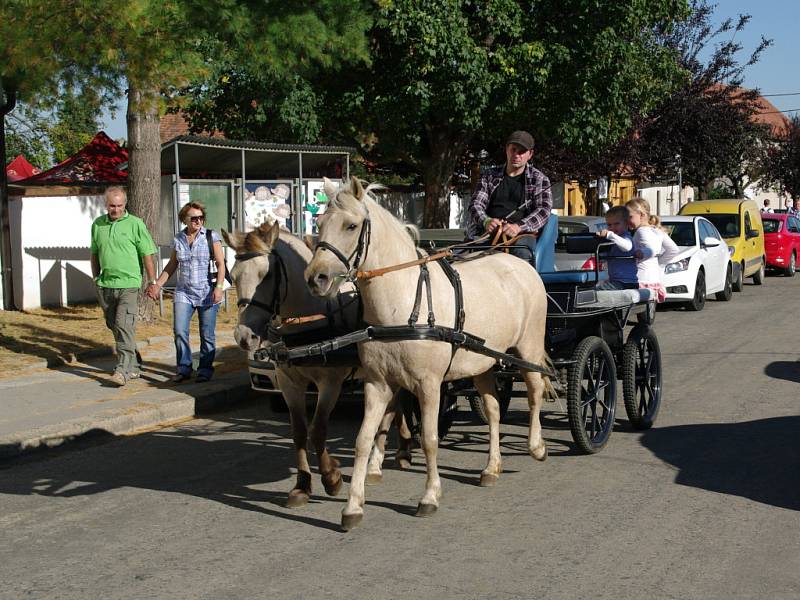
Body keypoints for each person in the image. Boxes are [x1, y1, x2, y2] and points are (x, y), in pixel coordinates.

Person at [147, 202, 226, 383]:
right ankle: (184, 368)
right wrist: (157, 285)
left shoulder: (211, 236)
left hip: (207, 291)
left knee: (207, 334)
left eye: (200, 217)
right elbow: (172, 265)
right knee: (180, 330)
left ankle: (205, 369)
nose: (198, 221)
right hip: (184, 292)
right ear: (185, 219)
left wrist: (219, 288)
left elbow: (221, 264)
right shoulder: (178, 239)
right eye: (194, 218)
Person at [90, 187, 157, 386]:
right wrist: (96, 279)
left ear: (125, 204)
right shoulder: (98, 224)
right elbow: (94, 253)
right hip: (106, 285)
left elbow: (147, 254)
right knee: (115, 326)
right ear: (106, 204)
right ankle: (134, 365)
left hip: (129, 285)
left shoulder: (135, 224)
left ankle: (122, 371)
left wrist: (152, 282)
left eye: (119, 206)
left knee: (123, 325)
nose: (116, 210)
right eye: (112, 206)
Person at [467, 130, 553, 263]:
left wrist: (519, 227)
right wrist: (486, 221)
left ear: (530, 154)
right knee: (457, 258)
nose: (516, 155)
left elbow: (543, 211)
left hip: (521, 235)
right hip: (487, 233)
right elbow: (475, 204)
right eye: (513, 149)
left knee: (522, 253)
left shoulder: (539, 179)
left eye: (521, 152)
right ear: (506, 150)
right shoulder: (488, 176)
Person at [625, 197, 679, 303]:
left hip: (640, 279)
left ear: (642, 215)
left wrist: (643, 254)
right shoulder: (657, 230)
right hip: (654, 279)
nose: (627, 220)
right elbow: (673, 250)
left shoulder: (641, 231)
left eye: (630, 217)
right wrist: (658, 263)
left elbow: (651, 249)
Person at [595, 205, 637, 290]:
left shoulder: (625, 237)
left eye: (617, 224)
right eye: (609, 225)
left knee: (596, 293)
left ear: (626, 223)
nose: (612, 227)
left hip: (626, 282)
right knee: (592, 291)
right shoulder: (614, 240)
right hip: (615, 280)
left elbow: (627, 247)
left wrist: (609, 235)